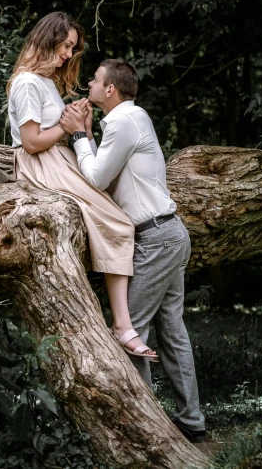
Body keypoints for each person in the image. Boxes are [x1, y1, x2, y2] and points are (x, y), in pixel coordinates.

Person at [59, 59, 206, 442]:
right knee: (171, 331)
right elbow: (106, 178)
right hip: (168, 233)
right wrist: (88, 135)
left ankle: (147, 428)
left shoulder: (124, 122)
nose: (88, 83)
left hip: (156, 238)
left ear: (110, 90)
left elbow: (95, 178)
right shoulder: (128, 121)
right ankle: (190, 421)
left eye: (94, 79)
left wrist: (77, 135)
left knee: (129, 332)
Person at [7, 12, 157, 361]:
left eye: (72, 48)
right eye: (65, 46)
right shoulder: (27, 81)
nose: (68, 54)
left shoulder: (44, 82)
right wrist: (67, 126)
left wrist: (79, 127)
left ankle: (122, 325)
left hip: (57, 159)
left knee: (115, 219)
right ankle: (122, 326)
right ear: (48, 40)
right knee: (118, 222)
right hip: (40, 164)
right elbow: (30, 142)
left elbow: (54, 132)